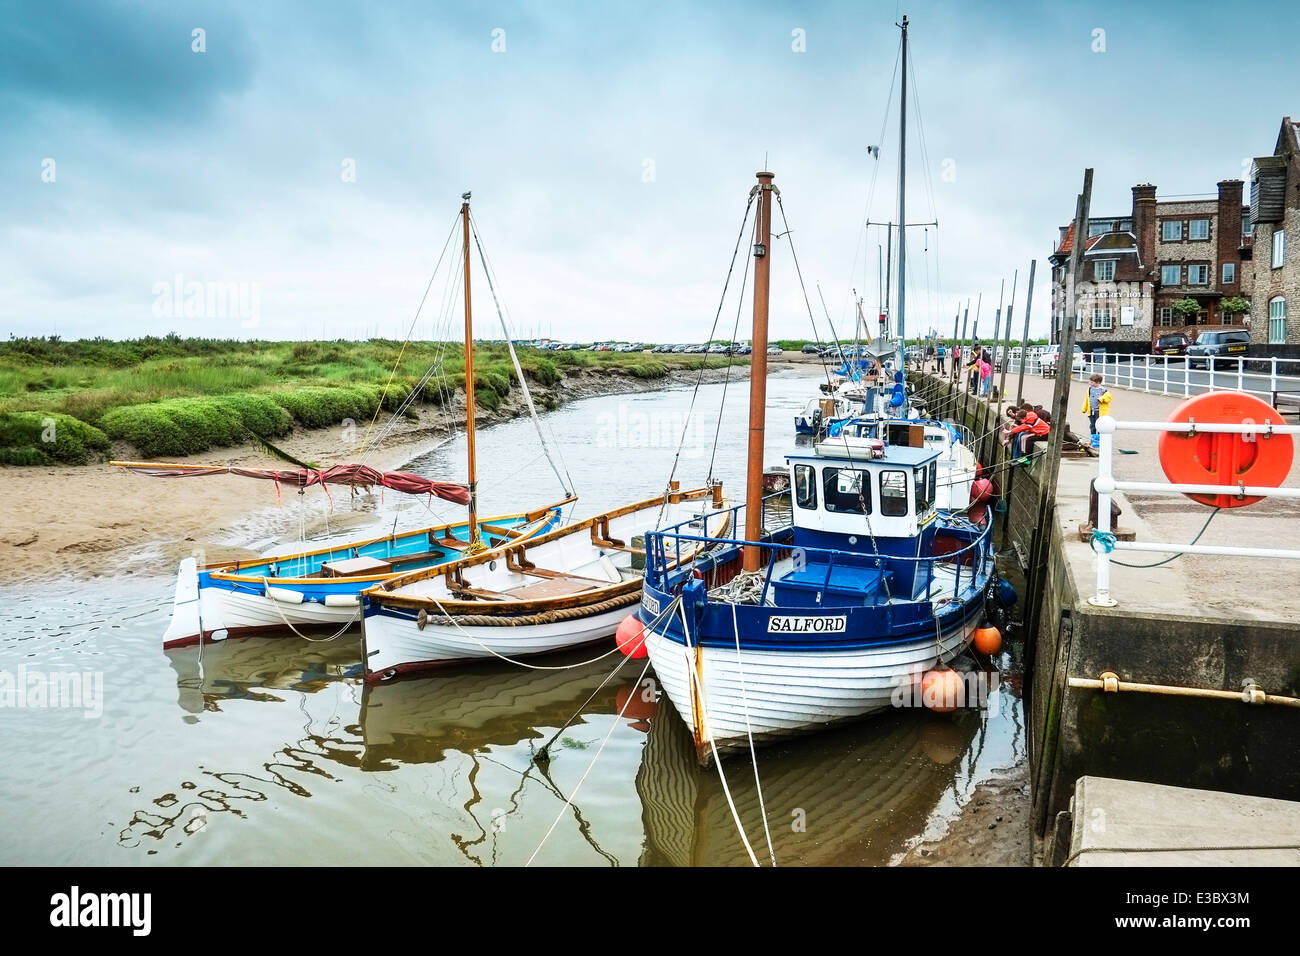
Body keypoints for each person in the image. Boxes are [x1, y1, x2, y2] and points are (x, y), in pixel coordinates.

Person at [1080, 373, 1112, 448]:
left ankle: (1101, 440)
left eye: (1092, 382)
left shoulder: (1103, 390)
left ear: (1098, 382)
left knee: (1100, 426)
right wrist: (1084, 408)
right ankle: (1094, 440)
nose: (1090, 383)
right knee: (1092, 426)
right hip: (1091, 411)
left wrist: (1101, 399)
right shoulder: (1089, 389)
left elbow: (1109, 397)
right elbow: (1087, 399)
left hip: (1100, 411)